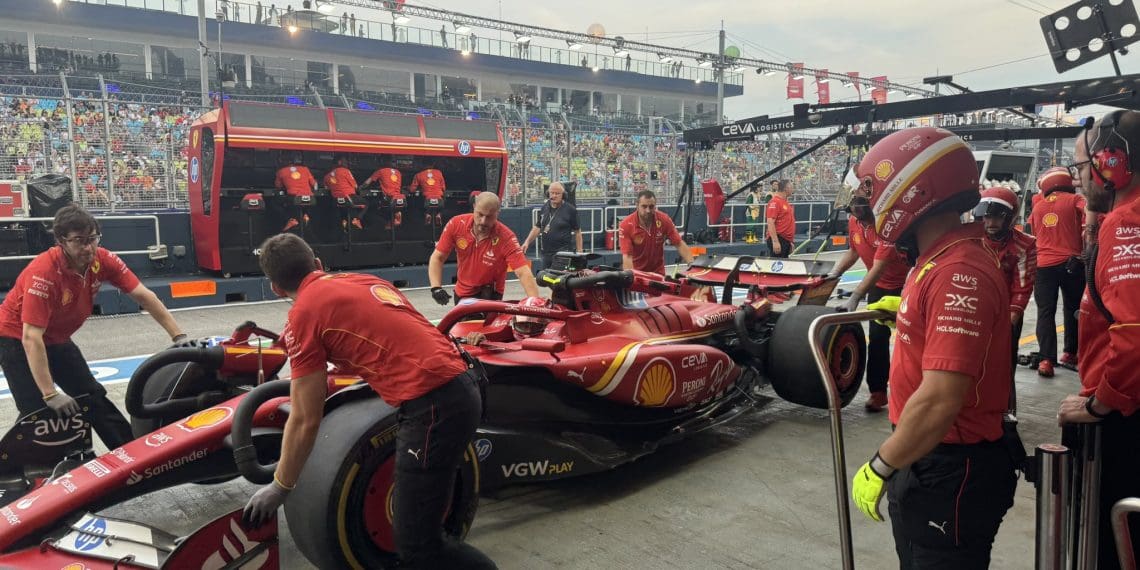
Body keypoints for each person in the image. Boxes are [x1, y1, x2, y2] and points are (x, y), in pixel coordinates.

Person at [241, 233, 496, 569]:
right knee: (418, 533)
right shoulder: (363, 280)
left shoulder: (303, 314)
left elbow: (304, 418)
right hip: (461, 385)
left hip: (434, 406)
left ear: (275, 288)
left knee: (417, 542)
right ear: (317, 263)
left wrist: (281, 486)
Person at [849, 127, 1018, 568]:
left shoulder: (957, 271)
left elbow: (942, 397)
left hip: (949, 464)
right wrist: (906, 311)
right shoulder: (940, 258)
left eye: (873, 188)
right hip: (930, 457)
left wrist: (881, 465)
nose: (868, 203)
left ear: (911, 189)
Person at [0, 204, 186, 449]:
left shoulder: (103, 259)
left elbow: (144, 296)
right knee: (38, 411)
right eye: (79, 241)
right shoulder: (43, 273)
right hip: (15, 338)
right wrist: (50, 393)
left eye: (92, 239)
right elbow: (31, 337)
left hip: (56, 338)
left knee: (92, 397)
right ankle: (46, 474)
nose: (87, 247)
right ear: (61, 241)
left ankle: (134, 458)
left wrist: (179, 336)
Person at [1057, 110, 1140, 567]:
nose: (1080, 180)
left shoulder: (1127, 222)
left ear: (1112, 163)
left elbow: (1133, 335)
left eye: (1082, 168)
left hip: (1126, 422)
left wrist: (1099, 403)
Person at [830, 168, 910, 412]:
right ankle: (878, 392)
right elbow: (853, 251)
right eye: (851, 205)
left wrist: (855, 296)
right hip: (879, 287)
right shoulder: (855, 222)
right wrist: (832, 275)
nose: (852, 210)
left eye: (857, 205)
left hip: (905, 286)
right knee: (877, 338)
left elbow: (878, 266)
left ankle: (911, 390)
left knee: (910, 339)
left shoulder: (887, 224)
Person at [976, 185, 1037, 418]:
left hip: (1006, 313)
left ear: (1010, 218)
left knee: (1004, 361)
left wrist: (1010, 319)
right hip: (972, 307)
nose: (991, 222)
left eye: (997, 217)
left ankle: (1006, 409)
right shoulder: (970, 237)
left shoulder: (1025, 244)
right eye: (987, 216)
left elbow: (1023, 285)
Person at [428, 192, 541, 305]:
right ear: (474, 207)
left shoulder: (506, 237)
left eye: (489, 217)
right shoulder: (456, 224)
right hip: (462, 293)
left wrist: (535, 303)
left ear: (497, 213)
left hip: (491, 295)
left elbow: (523, 272)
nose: (483, 221)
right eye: (480, 214)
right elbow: (438, 257)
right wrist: (436, 287)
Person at [1028, 166, 1086, 377]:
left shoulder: (1038, 206)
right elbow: (1090, 216)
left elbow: (1033, 232)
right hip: (1072, 263)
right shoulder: (1075, 200)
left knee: (1045, 312)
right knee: (1073, 309)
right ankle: (1070, 353)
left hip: (1043, 266)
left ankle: (1045, 360)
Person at [619, 189, 694, 274]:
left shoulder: (664, 219)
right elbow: (627, 256)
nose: (648, 210)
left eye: (651, 207)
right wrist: (632, 279)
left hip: (658, 274)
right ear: (637, 205)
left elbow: (679, 243)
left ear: (655, 206)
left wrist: (692, 265)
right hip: (638, 275)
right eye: (644, 206)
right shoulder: (626, 225)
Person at [520, 182, 583, 270]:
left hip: (563, 253)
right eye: (552, 193)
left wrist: (579, 251)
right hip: (546, 254)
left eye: (557, 193)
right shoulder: (544, 207)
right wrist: (527, 242)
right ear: (548, 194)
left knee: (558, 280)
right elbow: (538, 227)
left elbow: (578, 232)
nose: (554, 195)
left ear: (563, 195)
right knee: (546, 280)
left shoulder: (570, 210)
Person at [274, 154, 317, 232]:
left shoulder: (280, 171)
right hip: (310, 198)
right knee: (305, 208)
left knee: (275, 203)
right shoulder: (305, 169)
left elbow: (278, 186)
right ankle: (305, 216)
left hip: (294, 198)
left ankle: (291, 220)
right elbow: (314, 184)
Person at [322, 155, 364, 230]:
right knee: (366, 203)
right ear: (339, 162)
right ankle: (356, 219)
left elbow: (326, 188)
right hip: (349, 198)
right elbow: (355, 186)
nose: (347, 163)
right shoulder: (345, 171)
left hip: (336, 201)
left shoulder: (326, 176)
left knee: (343, 209)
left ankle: (345, 225)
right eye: (345, 161)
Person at [362, 161, 406, 228]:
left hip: (389, 199)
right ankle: (396, 217)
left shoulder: (380, 171)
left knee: (371, 206)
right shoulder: (398, 172)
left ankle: (382, 228)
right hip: (400, 199)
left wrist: (360, 188)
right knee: (394, 209)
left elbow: (367, 183)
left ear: (382, 162)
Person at [765, 179, 796, 258]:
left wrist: (790, 242)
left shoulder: (784, 202)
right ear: (786, 188)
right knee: (777, 265)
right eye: (792, 187)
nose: (793, 189)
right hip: (779, 238)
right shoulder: (775, 202)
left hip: (785, 240)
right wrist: (775, 241)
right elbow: (770, 222)